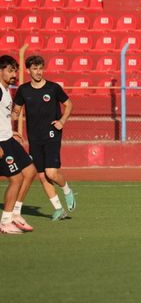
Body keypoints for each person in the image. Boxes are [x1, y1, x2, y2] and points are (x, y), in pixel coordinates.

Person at [13, 55, 75, 221]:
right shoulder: (23, 90)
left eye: (40, 68)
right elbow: (16, 111)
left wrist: (62, 120)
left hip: (52, 134)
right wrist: (11, 124)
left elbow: (69, 104)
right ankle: (58, 209)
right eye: (35, 69)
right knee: (41, 176)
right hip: (34, 137)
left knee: (51, 173)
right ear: (29, 71)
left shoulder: (53, 88)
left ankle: (67, 190)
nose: (38, 72)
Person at [0, 54, 38, 234]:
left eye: (15, 70)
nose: (14, 74)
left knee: (30, 171)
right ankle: (5, 222)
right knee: (15, 179)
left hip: (8, 138)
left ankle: (15, 213)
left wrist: (10, 130)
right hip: (1, 141)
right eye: (9, 70)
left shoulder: (6, 89)